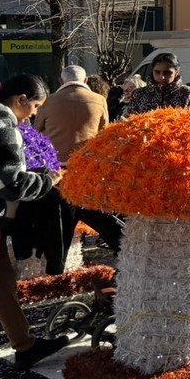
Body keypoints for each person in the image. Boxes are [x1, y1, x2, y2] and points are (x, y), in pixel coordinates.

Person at [0, 75, 69, 379]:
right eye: (35, 107)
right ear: (20, 99)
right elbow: (10, 184)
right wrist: (48, 180)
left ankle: (25, 345)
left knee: (1, 283)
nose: (34, 115)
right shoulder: (1, 125)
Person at [34, 65, 121, 253]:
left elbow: (37, 132)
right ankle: (118, 242)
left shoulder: (48, 102)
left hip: (55, 170)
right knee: (91, 211)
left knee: (60, 218)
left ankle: (58, 260)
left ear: (60, 81)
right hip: (86, 167)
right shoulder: (99, 100)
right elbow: (104, 133)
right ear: (86, 81)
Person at [125, 53, 190, 114]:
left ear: (176, 72)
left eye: (167, 73)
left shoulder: (188, 93)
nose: (162, 77)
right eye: (157, 72)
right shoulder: (139, 94)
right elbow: (130, 122)